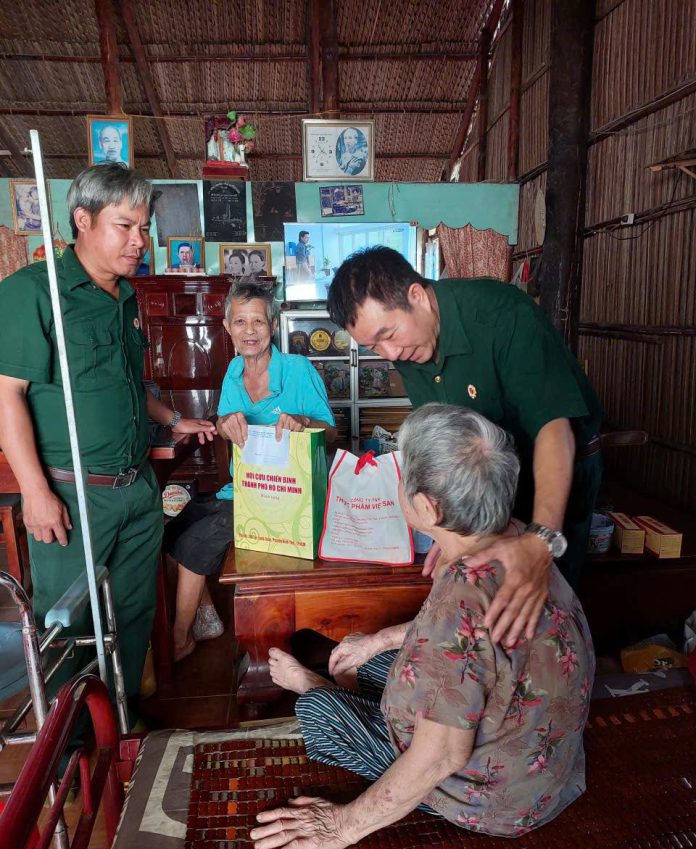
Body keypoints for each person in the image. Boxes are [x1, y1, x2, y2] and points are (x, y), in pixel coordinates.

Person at [251, 404, 595, 849]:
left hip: (496, 800)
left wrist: (340, 827)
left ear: (427, 508)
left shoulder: (459, 600)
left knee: (319, 711)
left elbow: (441, 756)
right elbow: (472, 641)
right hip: (545, 767)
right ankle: (349, 679)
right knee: (371, 659)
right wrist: (380, 639)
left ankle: (315, 686)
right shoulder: (524, 545)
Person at [0, 163, 216, 730]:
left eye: (144, 228)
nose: (139, 241)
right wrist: (35, 493)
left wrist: (175, 419)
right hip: (74, 494)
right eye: (125, 226)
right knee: (69, 623)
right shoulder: (32, 292)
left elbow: (127, 382)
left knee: (132, 613)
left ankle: (120, 724)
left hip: (135, 487)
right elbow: (6, 396)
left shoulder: (124, 296)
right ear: (83, 220)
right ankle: (73, 744)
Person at [327, 247, 603, 647]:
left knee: (540, 592)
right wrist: (450, 532)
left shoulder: (503, 316)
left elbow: (554, 430)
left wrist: (542, 540)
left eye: (388, 335)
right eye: (373, 347)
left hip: (555, 463)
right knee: (484, 589)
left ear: (417, 296)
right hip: (489, 477)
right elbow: (450, 441)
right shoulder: (410, 344)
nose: (390, 355)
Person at [164, 279, 337, 661]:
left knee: (195, 545)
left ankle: (179, 639)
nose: (250, 331)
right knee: (173, 530)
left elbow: (332, 433)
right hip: (244, 488)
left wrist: (303, 421)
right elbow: (226, 422)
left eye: (258, 321)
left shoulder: (298, 369)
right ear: (227, 327)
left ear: (272, 325)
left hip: (288, 496)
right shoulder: (233, 371)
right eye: (240, 322)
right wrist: (224, 424)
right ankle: (206, 617)